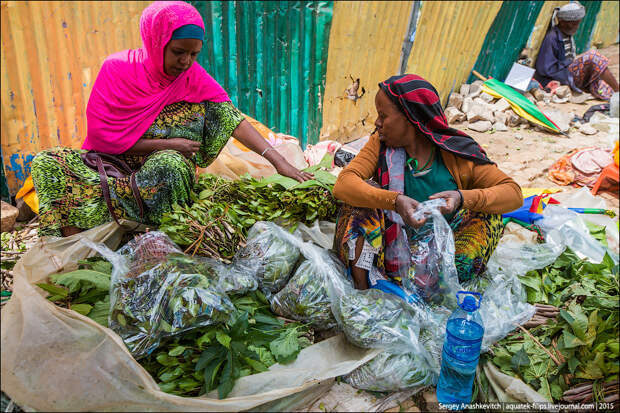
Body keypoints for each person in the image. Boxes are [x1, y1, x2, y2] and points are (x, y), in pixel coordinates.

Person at [31, 1, 311, 238]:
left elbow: (231, 119)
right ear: (156, 41)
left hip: (163, 172)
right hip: (112, 164)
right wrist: (170, 142)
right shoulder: (116, 70)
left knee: (170, 164)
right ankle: (78, 242)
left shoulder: (193, 77)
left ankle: (160, 239)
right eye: (179, 52)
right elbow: (103, 139)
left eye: (194, 54)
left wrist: (281, 163)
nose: (186, 61)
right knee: (46, 163)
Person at [332, 74, 523, 291]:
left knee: (488, 213)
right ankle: (364, 290)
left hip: (440, 260)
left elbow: (513, 194)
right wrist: (395, 201)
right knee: (360, 199)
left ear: (411, 118)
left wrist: (462, 198)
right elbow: (344, 184)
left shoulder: (455, 153)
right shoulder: (380, 144)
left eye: (383, 116)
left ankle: (445, 290)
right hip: (389, 253)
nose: (377, 123)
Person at [534, 1, 619, 100]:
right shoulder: (552, 38)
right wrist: (569, 64)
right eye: (574, 23)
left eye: (577, 23)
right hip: (563, 76)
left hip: (570, 73)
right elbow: (544, 68)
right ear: (563, 22)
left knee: (604, 85)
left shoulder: (566, 35)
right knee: (593, 56)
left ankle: (614, 92)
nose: (577, 26)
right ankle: (618, 91)